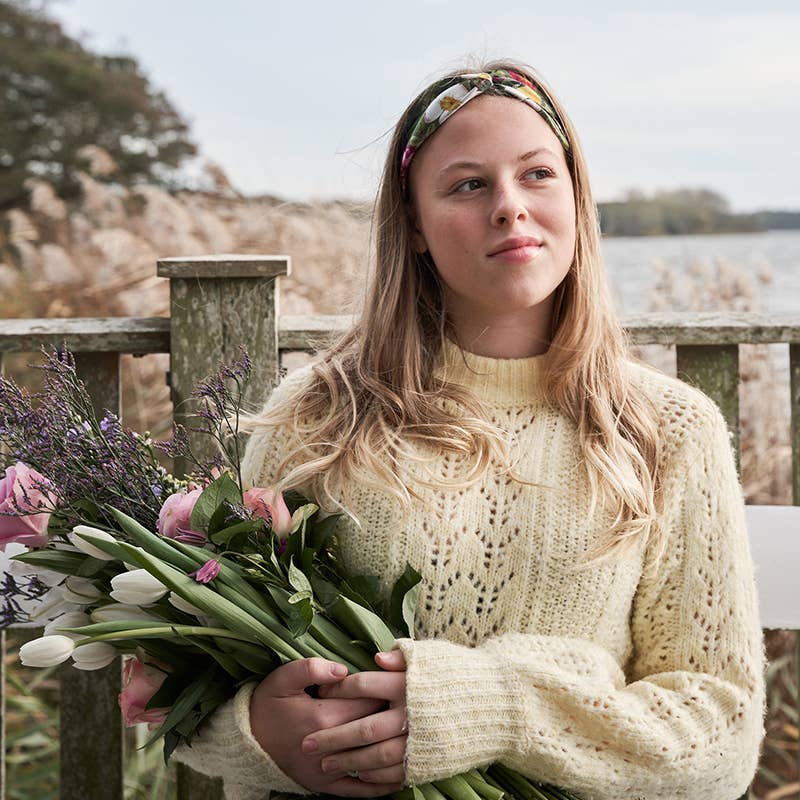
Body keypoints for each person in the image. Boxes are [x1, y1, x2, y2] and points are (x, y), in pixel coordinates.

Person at [172, 60, 767, 800]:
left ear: (579, 201)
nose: (510, 207)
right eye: (468, 184)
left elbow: (721, 735)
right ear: (415, 228)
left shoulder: (666, 430)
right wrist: (256, 735)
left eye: (538, 175)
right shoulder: (320, 414)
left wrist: (498, 707)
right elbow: (200, 687)